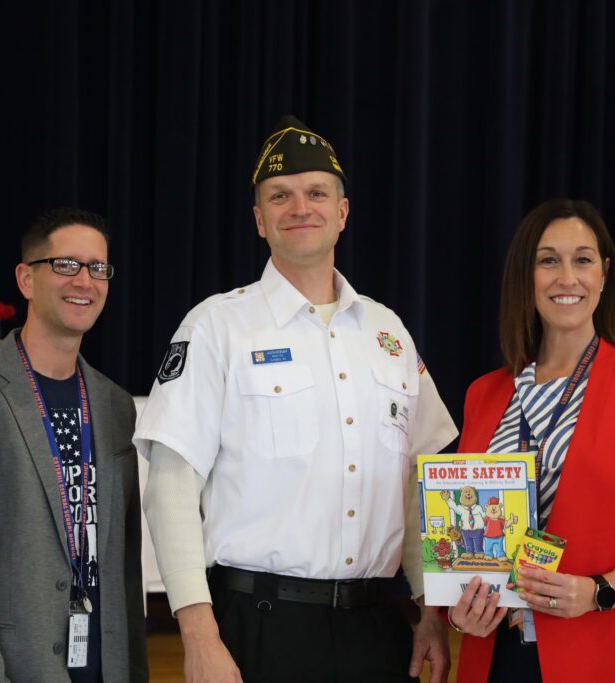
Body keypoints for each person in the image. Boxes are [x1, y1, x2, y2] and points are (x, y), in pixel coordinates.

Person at [136, 115, 459, 683]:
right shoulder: (217, 326)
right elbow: (171, 485)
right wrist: (198, 634)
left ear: (343, 212)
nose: (299, 207)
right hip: (259, 628)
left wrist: (432, 610)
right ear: (260, 221)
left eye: (317, 193)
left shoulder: (389, 334)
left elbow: (422, 483)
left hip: (377, 626)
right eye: (280, 196)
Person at [447, 199, 615, 682]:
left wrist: (601, 590)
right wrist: (459, 610)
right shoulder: (483, 395)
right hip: (497, 658)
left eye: (583, 259)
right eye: (548, 260)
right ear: (525, 277)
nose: (566, 277)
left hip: (609, 654)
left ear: (605, 274)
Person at [0, 208, 148, 682]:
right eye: (66, 265)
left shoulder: (116, 406)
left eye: (97, 268)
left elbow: (124, 569)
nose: (85, 280)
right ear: (26, 279)